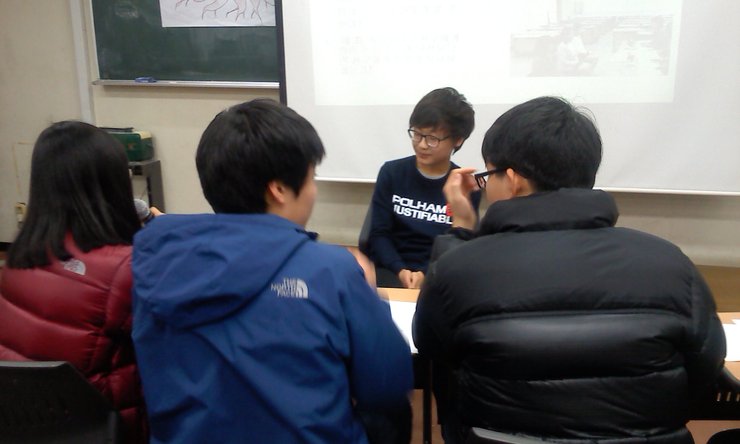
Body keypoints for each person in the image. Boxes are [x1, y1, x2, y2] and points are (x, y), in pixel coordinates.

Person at [413, 96, 726, 443]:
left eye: (487, 177)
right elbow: (704, 370)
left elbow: (432, 349)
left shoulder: (460, 267)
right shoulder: (671, 263)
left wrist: (460, 230)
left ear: (513, 181)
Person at [131, 99, 413, 444]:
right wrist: (368, 294)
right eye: (311, 178)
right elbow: (388, 382)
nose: (313, 191)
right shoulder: (331, 270)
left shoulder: (156, 260)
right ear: (278, 189)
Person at [0, 121, 149, 443]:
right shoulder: (123, 268)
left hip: (28, 425)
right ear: (112, 186)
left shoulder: (19, 254)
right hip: (102, 427)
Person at [362, 87, 480, 289]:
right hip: (390, 268)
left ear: (458, 139)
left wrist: (426, 273)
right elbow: (378, 234)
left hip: (439, 271)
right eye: (417, 134)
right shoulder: (392, 173)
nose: (422, 145)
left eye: (433, 139)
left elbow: (459, 244)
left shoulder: (461, 184)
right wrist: (400, 269)